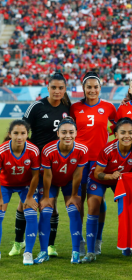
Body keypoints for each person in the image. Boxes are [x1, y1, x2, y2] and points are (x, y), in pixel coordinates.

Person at [9, 73, 71, 258]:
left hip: (54, 164)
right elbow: (21, 130)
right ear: (48, 88)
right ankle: (18, 242)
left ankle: (50, 245)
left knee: (51, 204)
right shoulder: (37, 106)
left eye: (61, 88)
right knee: (24, 202)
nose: (57, 91)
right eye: (54, 87)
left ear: (65, 89)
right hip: (35, 164)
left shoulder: (67, 107)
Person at [82, 117, 132, 263]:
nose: (127, 136)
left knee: (131, 210)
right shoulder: (108, 149)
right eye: (123, 132)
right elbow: (98, 173)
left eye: (130, 132)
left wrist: (125, 178)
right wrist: (111, 175)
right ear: (116, 135)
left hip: (121, 181)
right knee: (93, 208)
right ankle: (91, 250)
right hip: (99, 179)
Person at [70, 71, 117, 255]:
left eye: (95, 87)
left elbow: (119, 126)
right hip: (80, 161)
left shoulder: (108, 107)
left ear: (100, 88)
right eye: (88, 87)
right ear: (83, 88)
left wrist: (109, 136)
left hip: (100, 161)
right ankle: (81, 239)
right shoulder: (75, 108)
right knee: (79, 199)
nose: (92, 90)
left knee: (97, 200)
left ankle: (97, 239)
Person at [37, 117, 88, 264]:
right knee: (46, 211)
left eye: (71, 132)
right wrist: (46, 197)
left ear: (76, 133)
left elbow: (78, 174)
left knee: (74, 209)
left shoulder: (82, 149)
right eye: (64, 132)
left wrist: (73, 195)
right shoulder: (48, 149)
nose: (67, 135)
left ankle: (76, 252)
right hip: (51, 182)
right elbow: (47, 175)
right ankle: (43, 251)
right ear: (58, 133)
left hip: (69, 182)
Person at [0, 120, 41, 265]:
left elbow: (36, 175)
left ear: (27, 134)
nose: (19, 137)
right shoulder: (2, 150)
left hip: (25, 186)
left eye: (23, 133)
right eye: (16, 133)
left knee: (31, 215)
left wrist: (29, 197)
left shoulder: (33, 150)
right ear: (10, 134)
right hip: (4, 186)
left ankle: (28, 252)